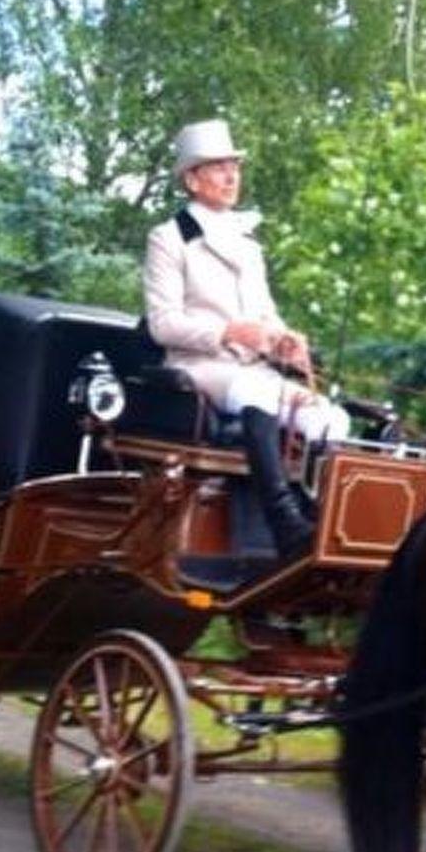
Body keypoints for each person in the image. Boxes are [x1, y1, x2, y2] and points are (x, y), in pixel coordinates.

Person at [143, 118, 348, 559]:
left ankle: (316, 515)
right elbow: (163, 324)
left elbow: (265, 314)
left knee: (330, 420)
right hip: (199, 366)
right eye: (218, 168)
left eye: (234, 166)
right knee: (256, 394)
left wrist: (285, 340)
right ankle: (282, 521)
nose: (232, 176)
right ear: (192, 179)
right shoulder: (168, 239)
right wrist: (227, 331)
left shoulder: (248, 244)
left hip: (251, 368)